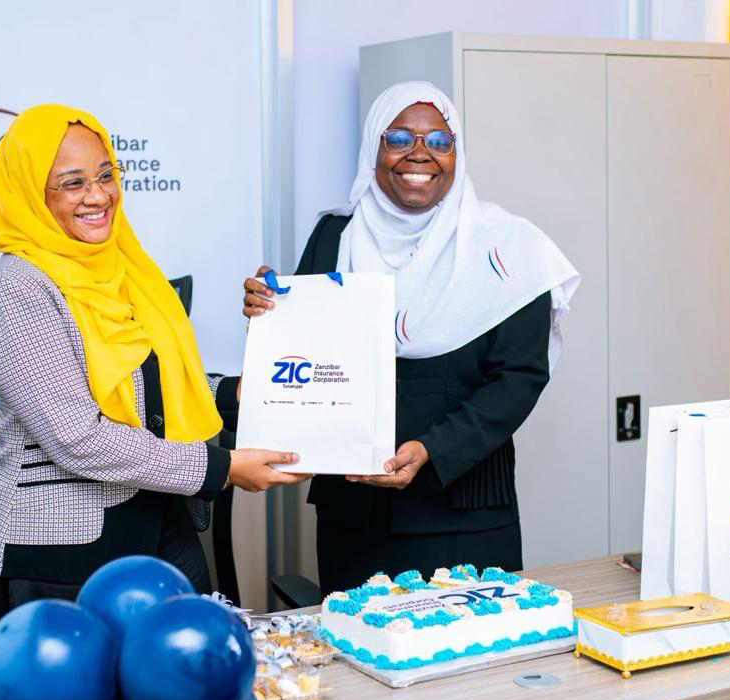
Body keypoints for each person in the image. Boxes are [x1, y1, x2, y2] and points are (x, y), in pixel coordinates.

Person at [0, 105, 304, 700]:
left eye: (105, 175)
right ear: (32, 193)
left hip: (158, 525)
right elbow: (78, 437)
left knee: (186, 697)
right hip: (55, 553)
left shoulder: (125, 266)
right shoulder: (20, 288)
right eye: (72, 183)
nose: (97, 196)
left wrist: (237, 392)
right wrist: (223, 468)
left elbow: (156, 386)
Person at [243, 82, 579, 595]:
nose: (419, 154)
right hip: (354, 513)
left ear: (456, 152)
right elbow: (309, 351)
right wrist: (269, 313)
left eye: (439, 141)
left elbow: (518, 377)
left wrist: (432, 449)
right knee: (357, 641)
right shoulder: (335, 234)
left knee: (474, 642)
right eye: (398, 138)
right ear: (372, 149)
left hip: (464, 510)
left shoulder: (508, 248)